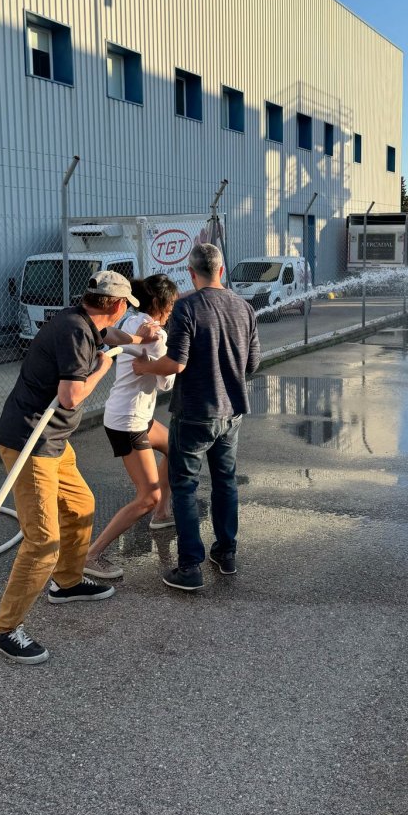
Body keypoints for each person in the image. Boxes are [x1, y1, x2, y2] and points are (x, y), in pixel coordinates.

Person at [0, 270, 159, 664]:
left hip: (52, 442)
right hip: (30, 444)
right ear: (117, 305)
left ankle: (66, 583)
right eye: (125, 310)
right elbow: (69, 396)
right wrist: (102, 367)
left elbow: (111, 338)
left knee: (81, 504)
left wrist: (139, 341)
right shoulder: (75, 332)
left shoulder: (82, 321)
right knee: (43, 541)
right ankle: (5, 630)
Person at [132, 242, 260, 591]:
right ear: (221, 269)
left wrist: (144, 365)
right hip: (232, 411)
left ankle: (190, 567)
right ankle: (226, 553)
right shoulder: (244, 307)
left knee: (186, 487)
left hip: (194, 413)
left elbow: (176, 363)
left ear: (191, 272)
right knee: (225, 482)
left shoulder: (186, 307)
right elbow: (252, 364)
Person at [84, 274, 180, 580]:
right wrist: (162, 358)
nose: (172, 310)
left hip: (130, 413)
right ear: (159, 303)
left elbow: (133, 352)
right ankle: (92, 554)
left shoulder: (131, 320)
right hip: (129, 420)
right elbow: (166, 382)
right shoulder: (157, 334)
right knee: (146, 496)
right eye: (171, 304)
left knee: (174, 446)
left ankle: (162, 514)